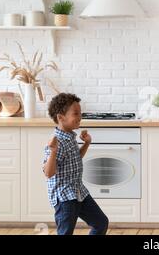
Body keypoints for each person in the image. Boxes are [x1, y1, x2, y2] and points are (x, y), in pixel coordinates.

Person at [43, 93, 109, 235]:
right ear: (61, 118)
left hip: (79, 192)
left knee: (101, 223)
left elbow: (76, 158)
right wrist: (53, 151)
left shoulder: (70, 136)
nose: (80, 117)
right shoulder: (57, 142)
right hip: (65, 198)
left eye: (80, 113)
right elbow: (48, 173)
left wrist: (87, 143)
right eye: (76, 113)